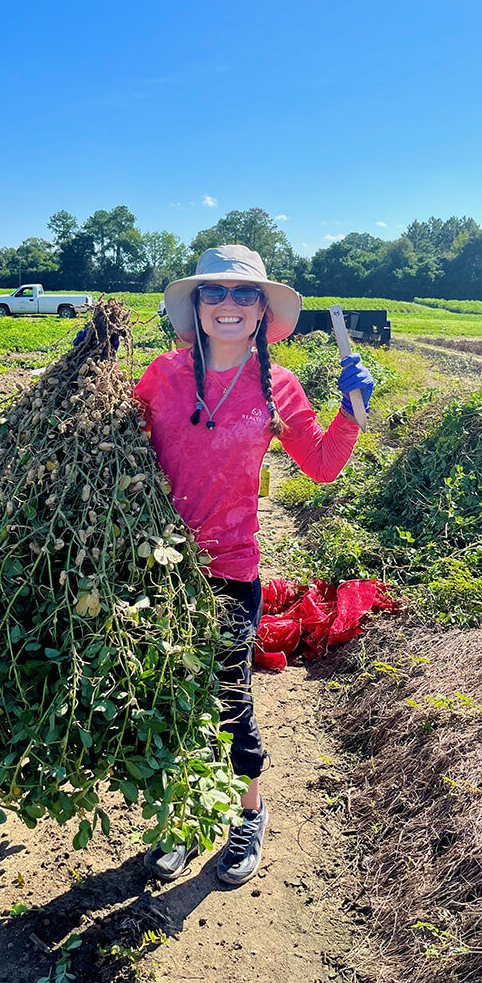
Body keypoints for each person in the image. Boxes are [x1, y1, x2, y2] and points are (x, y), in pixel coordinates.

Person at [134, 245, 374, 885]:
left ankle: (249, 814)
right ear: (197, 306)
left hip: (231, 566)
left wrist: (351, 411)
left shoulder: (279, 385)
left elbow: (320, 466)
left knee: (229, 701)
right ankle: (185, 817)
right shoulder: (163, 375)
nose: (229, 305)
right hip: (156, 568)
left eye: (245, 295)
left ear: (264, 310)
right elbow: (117, 454)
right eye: (214, 293)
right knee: (167, 698)